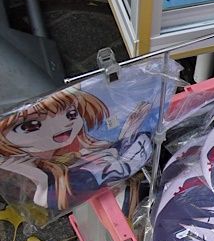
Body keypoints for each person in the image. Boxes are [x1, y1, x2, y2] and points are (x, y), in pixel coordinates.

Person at [0, 89, 152, 210]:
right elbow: (45, 195)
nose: (62, 125)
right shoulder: (50, 183)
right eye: (30, 125)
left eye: (71, 114)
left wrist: (129, 128)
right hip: (86, 184)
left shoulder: (84, 146)